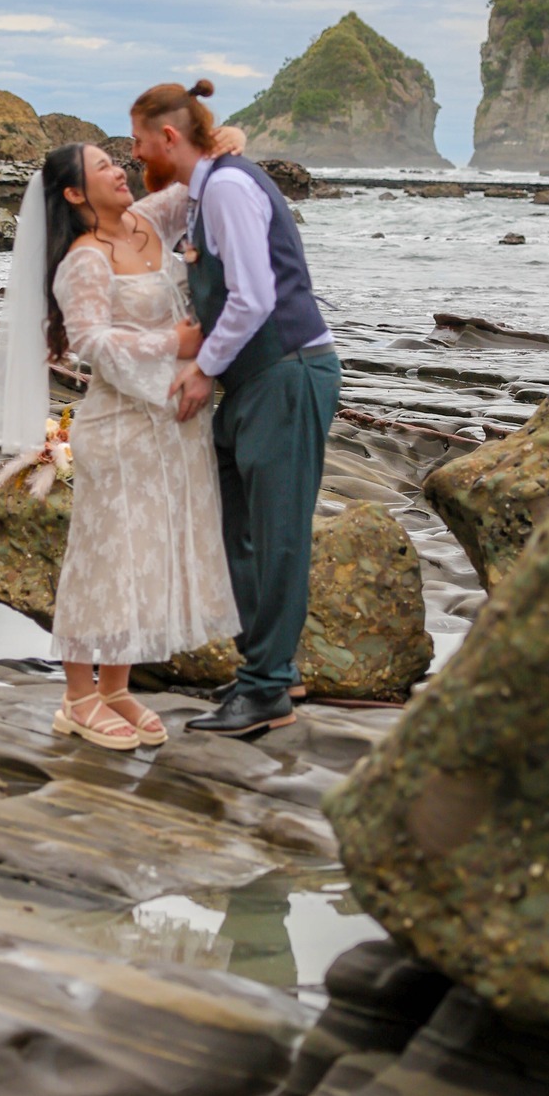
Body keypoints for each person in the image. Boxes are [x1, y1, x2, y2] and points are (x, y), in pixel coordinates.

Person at [0, 132, 245, 751]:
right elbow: (90, 342)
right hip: (121, 425)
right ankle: (77, 697)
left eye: (118, 162)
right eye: (105, 168)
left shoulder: (148, 218)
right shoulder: (84, 259)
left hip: (171, 424)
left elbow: (192, 189)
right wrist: (176, 348)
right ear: (76, 192)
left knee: (145, 556)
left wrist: (223, 142)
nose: (122, 171)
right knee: (103, 557)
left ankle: (115, 688)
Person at [130, 80, 341, 737]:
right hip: (254, 384)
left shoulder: (224, 189)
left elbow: (253, 296)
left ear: (169, 138)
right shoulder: (202, 194)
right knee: (235, 525)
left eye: (139, 142)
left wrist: (201, 373)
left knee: (276, 536)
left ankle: (268, 690)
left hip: (287, 372)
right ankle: (268, 666)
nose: (136, 155)